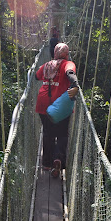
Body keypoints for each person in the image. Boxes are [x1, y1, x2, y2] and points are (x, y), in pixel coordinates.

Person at [35, 43, 79, 177]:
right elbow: (70, 72)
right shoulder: (68, 63)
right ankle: (58, 159)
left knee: (48, 133)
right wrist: (75, 85)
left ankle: (47, 164)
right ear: (66, 53)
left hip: (43, 104)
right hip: (60, 106)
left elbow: (37, 76)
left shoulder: (47, 65)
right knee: (62, 134)